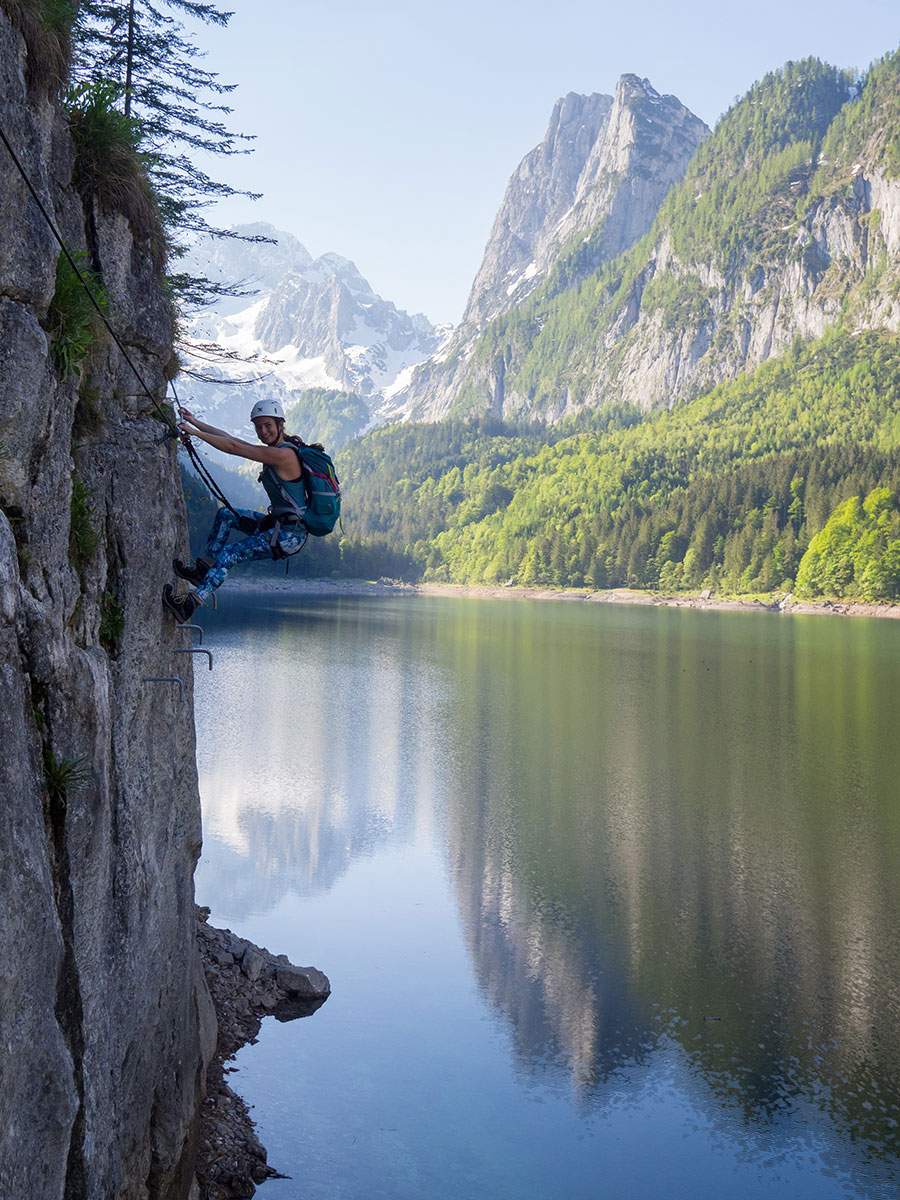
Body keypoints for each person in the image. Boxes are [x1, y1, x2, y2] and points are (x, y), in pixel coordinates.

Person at [163, 398, 314, 622]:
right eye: (258, 426)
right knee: (226, 515)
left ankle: (189, 604)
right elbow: (231, 439)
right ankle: (203, 570)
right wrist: (196, 422)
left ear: (280, 425)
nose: (263, 431)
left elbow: (234, 448)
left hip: (289, 535)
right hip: (279, 526)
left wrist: (195, 433)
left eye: (268, 425)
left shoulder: (284, 455)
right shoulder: (276, 449)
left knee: (230, 554)